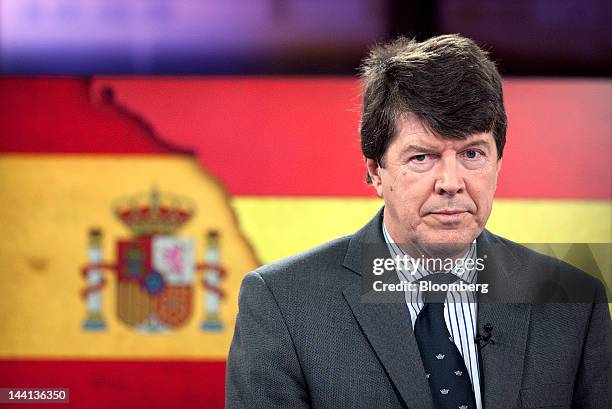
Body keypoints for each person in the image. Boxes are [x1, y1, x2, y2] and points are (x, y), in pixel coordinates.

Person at [226, 35, 611, 409]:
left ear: (498, 164)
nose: (451, 183)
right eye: (423, 157)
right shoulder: (282, 303)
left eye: (472, 154)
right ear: (376, 172)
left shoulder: (574, 302)